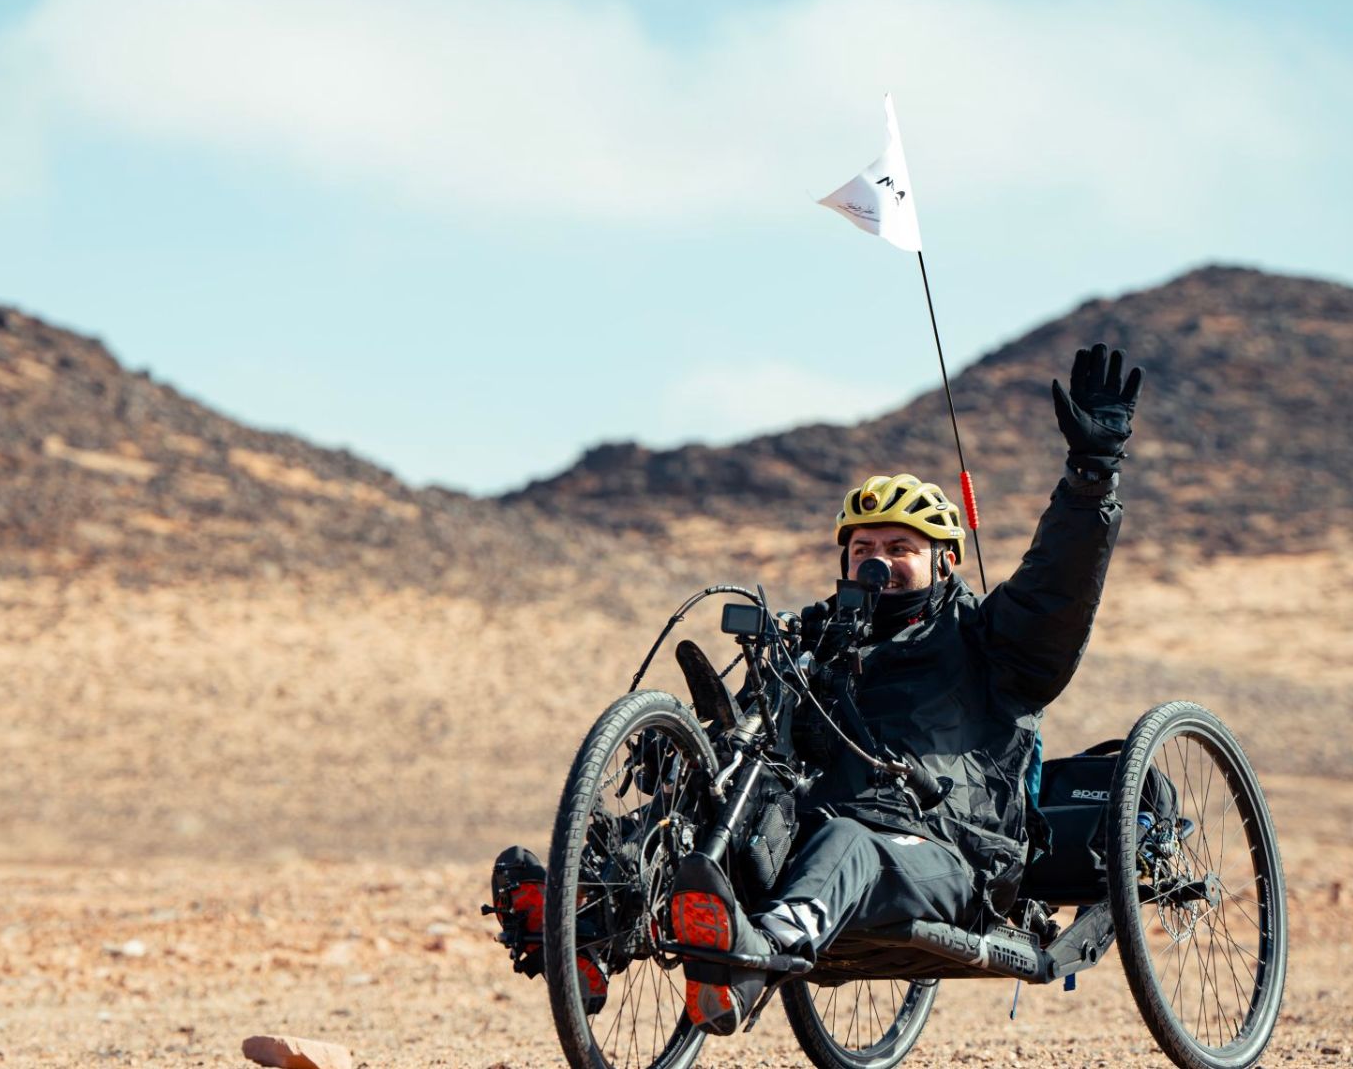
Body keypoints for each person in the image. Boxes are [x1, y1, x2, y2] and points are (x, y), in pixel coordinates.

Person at [487, 343, 1144, 1037]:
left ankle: (752, 960)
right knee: (690, 819)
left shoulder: (988, 640)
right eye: (863, 549)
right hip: (814, 835)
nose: (878, 562)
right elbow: (753, 742)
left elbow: (1055, 590)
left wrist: (1091, 476)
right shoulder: (815, 643)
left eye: (900, 547)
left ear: (943, 561)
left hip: (951, 852)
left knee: (846, 842)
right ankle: (581, 918)